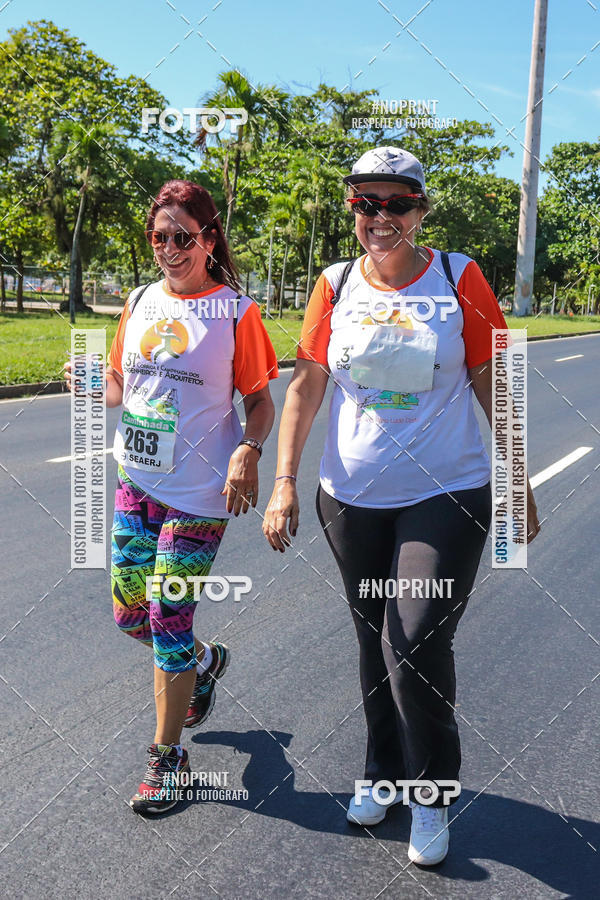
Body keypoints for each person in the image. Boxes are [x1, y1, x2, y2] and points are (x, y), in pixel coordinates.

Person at [263, 147, 540, 865]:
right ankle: (382, 773)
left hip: (445, 491)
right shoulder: (333, 283)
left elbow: (492, 379)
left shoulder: (459, 277)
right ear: (353, 208)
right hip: (350, 496)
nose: (380, 217)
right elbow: (305, 385)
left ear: (421, 210)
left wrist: (517, 477)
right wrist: (285, 479)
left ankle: (431, 794)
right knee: (370, 639)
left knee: (412, 641)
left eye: (397, 204)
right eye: (366, 203)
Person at [65, 179, 278, 815]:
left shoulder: (237, 313)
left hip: (200, 497)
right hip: (137, 482)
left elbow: (261, 401)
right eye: (158, 237)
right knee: (131, 617)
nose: (168, 249)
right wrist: (88, 383)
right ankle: (205, 664)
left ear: (209, 239)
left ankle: (167, 759)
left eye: (181, 237)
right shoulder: (137, 301)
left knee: (166, 618)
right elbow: (120, 384)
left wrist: (249, 450)